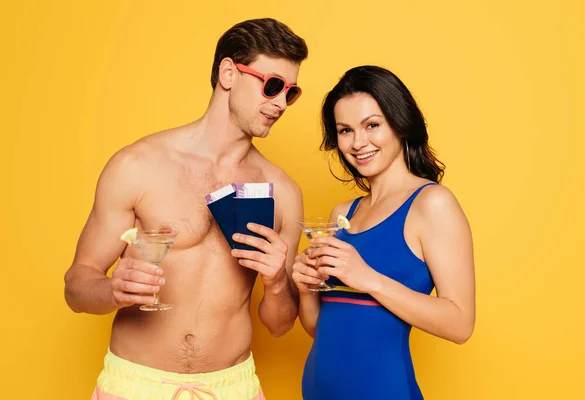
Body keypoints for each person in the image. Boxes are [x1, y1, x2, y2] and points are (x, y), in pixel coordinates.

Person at [64, 18, 308, 400]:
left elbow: (279, 326)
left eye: (290, 93)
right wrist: (113, 289)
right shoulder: (138, 165)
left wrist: (277, 282)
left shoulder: (283, 193)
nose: (279, 103)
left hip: (233, 388)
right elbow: (76, 287)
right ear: (228, 73)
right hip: (136, 386)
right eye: (272, 85)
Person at [292, 65, 475, 399]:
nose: (358, 142)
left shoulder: (431, 204)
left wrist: (367, 278)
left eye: (372, 125)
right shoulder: (342, 215)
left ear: (400, 124)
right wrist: (306, 289)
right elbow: (322, 329)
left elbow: (461, 324)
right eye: (345, 130)